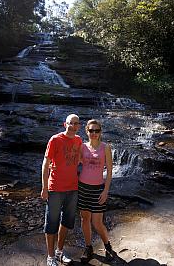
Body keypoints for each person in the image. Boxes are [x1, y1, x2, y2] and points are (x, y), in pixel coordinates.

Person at [41, 114, 82, 266]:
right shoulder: (55, 139)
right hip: (55, 188)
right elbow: (46, 165)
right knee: (51, 223)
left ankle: (59, 251)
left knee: (66, 222)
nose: (73, 126)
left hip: (73, 189)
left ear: (79, 126)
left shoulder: (78, 140)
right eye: (71, 123)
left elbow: (79, 160)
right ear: (65, 124)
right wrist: (44, 187)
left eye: (76, 123)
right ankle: (50, 257)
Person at [78, 119, 115, 264]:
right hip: (82, 188)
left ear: (100, 132)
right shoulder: (82, 147)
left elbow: (110, 172)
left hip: (98, 188)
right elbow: (75, 162)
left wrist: (106, 191)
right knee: (84, 219)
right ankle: (88, 248)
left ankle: (107, 245)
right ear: (87, 131)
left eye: (97, 131)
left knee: (97, 223)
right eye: (91, 130)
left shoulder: (105, 147)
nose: (94, 133)